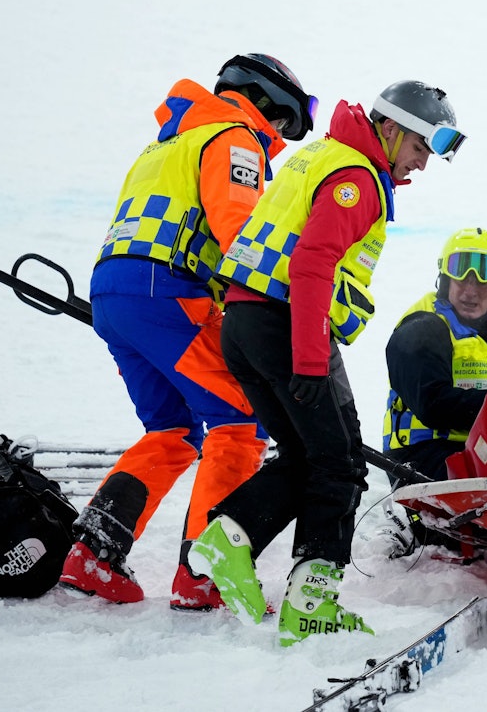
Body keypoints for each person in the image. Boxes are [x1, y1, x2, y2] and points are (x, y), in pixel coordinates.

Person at [187, 81, 466, 647]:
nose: (422, 162)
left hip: (248, 322)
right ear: (388, 128)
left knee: (309, 456)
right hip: (287, 324)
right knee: (339, 464)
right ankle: (310, 603)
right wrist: (311, 361)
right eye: (419, 146)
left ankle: (229, 539)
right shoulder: (357, 177)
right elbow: (313, 264)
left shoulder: (324, 155)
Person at [59, 54, 317, 608]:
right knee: (240, 421)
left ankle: (92, 555)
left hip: (114, 292)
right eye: (289, 122)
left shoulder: (165, 145)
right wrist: (277, 309)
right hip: (167, 290)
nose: (283, 136)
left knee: (171, 430)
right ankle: (207, 574)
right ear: (267, 102)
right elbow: (239, 233)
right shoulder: (235, 139)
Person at [379, 227, 487, 555]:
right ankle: (405, 523)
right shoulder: (423, 328)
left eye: (482, 282)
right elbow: (433, 405)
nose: (470, 291)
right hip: (425, 458)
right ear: (445, 281)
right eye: (461, 280)